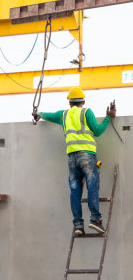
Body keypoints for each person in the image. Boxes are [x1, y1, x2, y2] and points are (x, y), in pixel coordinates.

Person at [33, 87, 116, 235]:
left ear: (69, 102)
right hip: (88, 157)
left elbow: (48, 115)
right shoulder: (86, 112)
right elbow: (97, 131)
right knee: (92, 186)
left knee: (75, 192)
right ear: (83, 101)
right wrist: (109, 117)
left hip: (72, 159)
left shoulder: (63, 115)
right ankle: (96, 220)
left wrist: (38, 114)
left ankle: (78, 225)